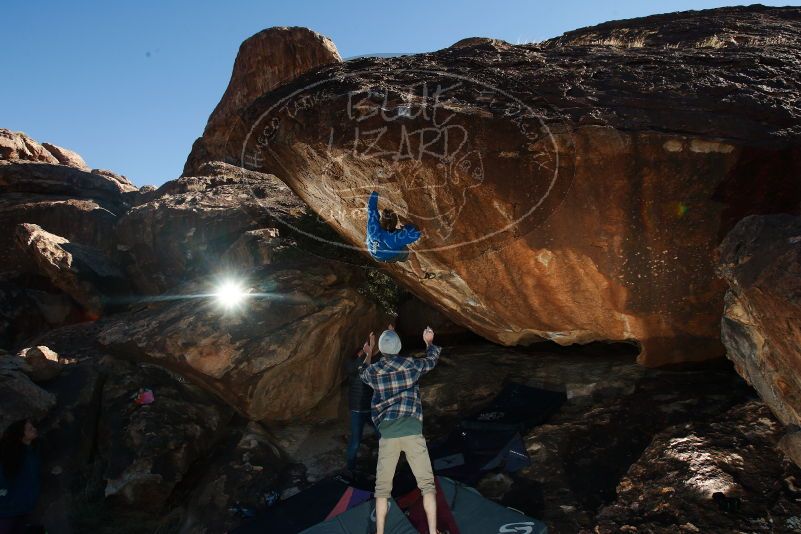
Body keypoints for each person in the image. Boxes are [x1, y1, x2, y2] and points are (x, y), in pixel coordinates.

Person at [360, 325, 441, 534]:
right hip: (412, 429)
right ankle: (433, 532)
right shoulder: (410, 364)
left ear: (381, 349)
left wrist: (369, 355)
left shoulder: (374, 371)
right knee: (427, 485)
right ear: (399, 347)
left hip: (388, 433)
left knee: (382, 490)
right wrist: (429, 342)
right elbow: (431, 361)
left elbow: (362, 372)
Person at [344, 331, 380, 472]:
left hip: (370, 408)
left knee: (382, 434)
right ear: (356, 354)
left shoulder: (369, 365)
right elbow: (360, 368)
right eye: (361, 351)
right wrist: (368, 351)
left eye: (364, 352)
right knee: (355, 441)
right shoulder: (351, 365)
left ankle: (385, 459)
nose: (363, 353)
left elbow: (374, 362)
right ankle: (350, 468)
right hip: (357, 410)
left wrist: (372, 347)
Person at [0, 420, 40, 534]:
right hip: (6, 509)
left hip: (25, 508)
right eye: (29, 429)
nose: (34, 429)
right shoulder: (9, 453)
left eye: (33, 427)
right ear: (20, 435)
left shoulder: (32, 453)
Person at [365, 191, 421, 263]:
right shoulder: (396, 238)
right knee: (412, 256)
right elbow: (416, 233)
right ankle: (422, 275)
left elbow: (371, 208)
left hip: (375, 254)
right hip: (390, 256)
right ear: (395, 223)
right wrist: (406, 225)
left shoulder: (373, 227)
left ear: (381, 220)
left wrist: (375, 191)